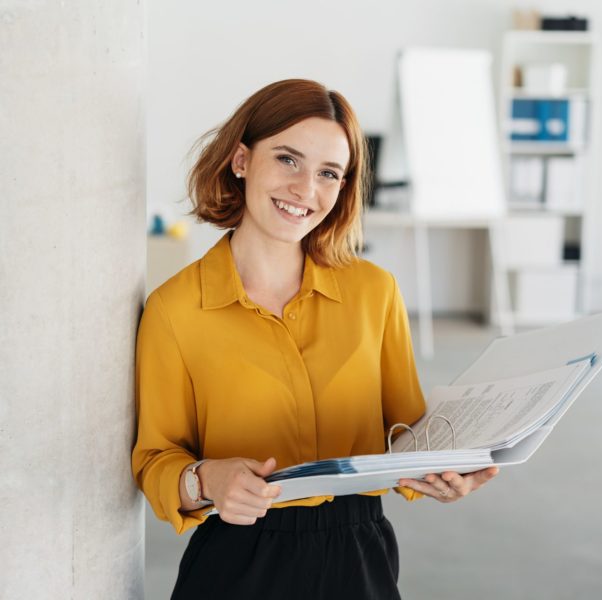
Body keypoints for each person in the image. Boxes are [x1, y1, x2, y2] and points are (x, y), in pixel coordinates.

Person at [131, 79, 498, 599]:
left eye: (329, 173)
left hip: (360, 554)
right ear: (241, 160)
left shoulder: (375, 292)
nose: (306, 190)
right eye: (287, 160)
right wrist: (207, 480)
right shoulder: (175, 309)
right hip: (236, 559)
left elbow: (407, 434)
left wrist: (444, 469)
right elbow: (155, 458)